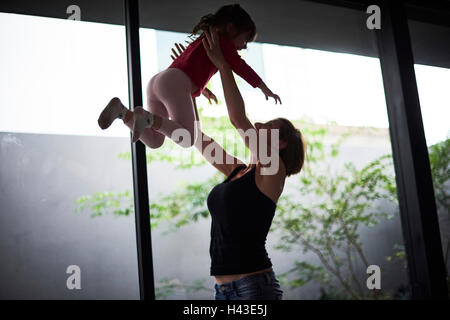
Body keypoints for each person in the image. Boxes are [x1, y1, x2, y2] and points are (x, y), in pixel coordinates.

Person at [184, 27, 305, 300]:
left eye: (268, 126)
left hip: (253, 288)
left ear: (281, 144)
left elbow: (239, 120)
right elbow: (195, 136)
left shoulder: (275, 168)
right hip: (223, 290)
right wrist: (190, 89)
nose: (259, 124)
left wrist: (223, 66)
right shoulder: (237, 171)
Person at [97, 4, 281, 149]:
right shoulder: (223, 42)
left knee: (155, 141)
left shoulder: (204, 39)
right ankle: (145, 117)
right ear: (231, 28)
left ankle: (122, 112)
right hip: (174, 83)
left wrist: (203, 90)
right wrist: (264, 87)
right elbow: (240, 67)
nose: (244, 46)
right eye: (245, 39)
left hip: (158, 81)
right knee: (187, 139)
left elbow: (191, 70)